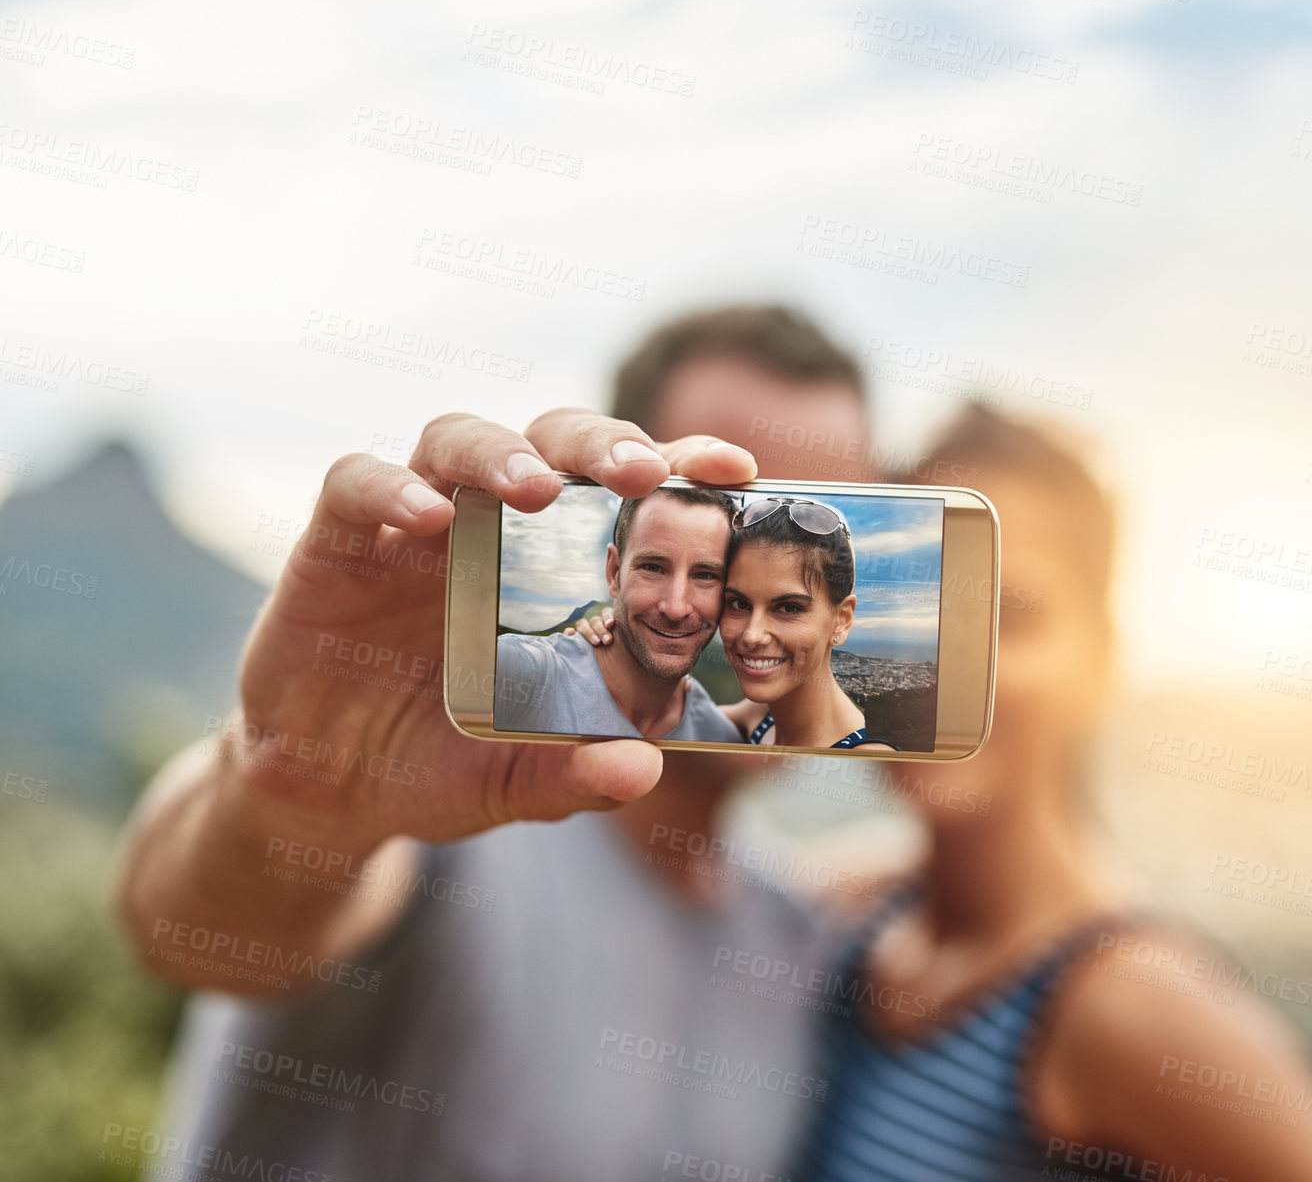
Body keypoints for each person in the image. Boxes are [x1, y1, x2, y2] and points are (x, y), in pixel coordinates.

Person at [115, 306, 881, 1179]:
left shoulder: (791, 933)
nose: (757, 589)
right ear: (617, 542)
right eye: (723, 522)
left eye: (804, 531)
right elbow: (193, 929)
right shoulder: (446, 809)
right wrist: (294, 796)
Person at [793, 403, 1312, 1182]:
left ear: (1100, 663)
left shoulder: (1127, 1000)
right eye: (907, 607)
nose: (943, 665)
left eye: (1010, 614)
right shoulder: (848, 909)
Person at [571, 494, 898, 751]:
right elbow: (666, 720)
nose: (752, 635)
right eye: (739, 603)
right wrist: (616, 641)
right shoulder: (758, 719)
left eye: (787, 608)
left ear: (842, 620)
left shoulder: (867, 760)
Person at [494, 485, 740, 741]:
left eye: (705, 576)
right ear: (614, 573)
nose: (676, 609)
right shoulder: (516, 672)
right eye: (653, 568)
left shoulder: (719, 737)